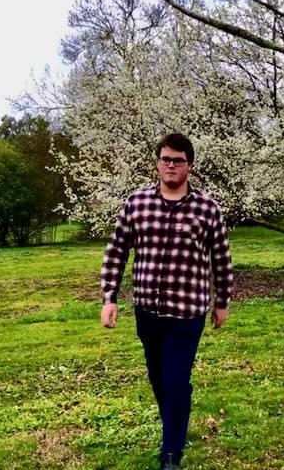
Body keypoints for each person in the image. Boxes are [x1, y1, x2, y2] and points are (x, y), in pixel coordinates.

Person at [99, 133, 233, 470]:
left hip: (187, 313)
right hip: (147, 310)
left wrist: (223, 301)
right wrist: (109, 297)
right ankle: (174, 425)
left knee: (176, 379)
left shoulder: (207, 209)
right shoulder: (137, 203)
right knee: (158, 378)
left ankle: (171, 453)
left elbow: (221, 258)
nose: (170, 165)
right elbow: (117, 251)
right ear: (158, 163)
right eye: (165, 159)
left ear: (190, 165)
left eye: (178, 160)